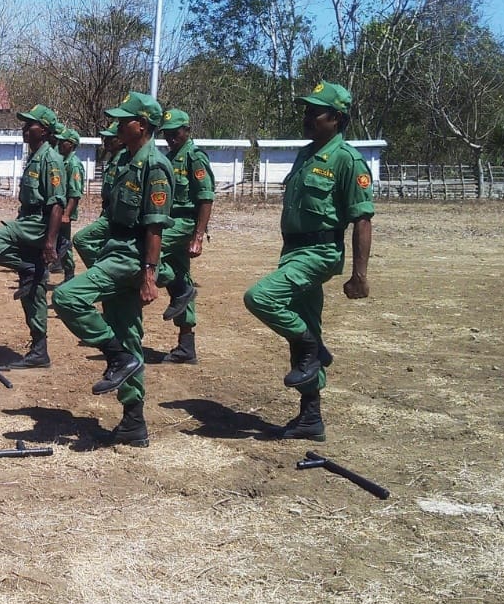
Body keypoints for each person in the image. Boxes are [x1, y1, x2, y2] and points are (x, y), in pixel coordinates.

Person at [243, 81, 375, 441]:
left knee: (260, 298)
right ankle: (310, 417)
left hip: (320, 252)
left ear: (336, 118)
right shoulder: (305, 154)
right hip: (293, 251)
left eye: (314, 112)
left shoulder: (347, 160)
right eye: (306, 110)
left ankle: (312, 350)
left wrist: (358, 275)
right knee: (303, 326)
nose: (307, 117)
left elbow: (362, 218)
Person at [53, 92, 174, 447]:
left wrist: (149, 275)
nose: (119, 125)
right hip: (115, 250)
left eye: (125, 120)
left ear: (143, 125)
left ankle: (116, 357)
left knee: (67, 297)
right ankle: (134, 423)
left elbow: (155, 226)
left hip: (131, 256)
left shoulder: (155, 164)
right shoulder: (126, 160)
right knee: (128, 335)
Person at [0, 104, 66, 369]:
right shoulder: (35, 156)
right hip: (28, 221)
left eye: (30, 125)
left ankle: (26, 266)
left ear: (44, 130)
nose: (24, 129)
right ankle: (39, 351)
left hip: (36, 225)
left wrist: (50, 242)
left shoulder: (51, 160)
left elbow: (57, 204)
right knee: (33, 291)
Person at [157, 107, 215, 364]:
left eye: (175, 133)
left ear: (187, 130)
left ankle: (181, 290)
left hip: (184, 222)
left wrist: (198, 236)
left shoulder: (194, 157)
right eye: (167, 134)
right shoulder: (170, 157)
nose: (171, 138)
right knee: (181, 276)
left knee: (146, 250)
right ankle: (186, 346)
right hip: (171, 219)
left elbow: (205, 198)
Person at [71, 121, 124, 270]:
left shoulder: (123, 161)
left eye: (109, 138)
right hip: (106, 212)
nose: (105, 142)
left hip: (114, 216)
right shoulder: (113, 160)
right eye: (104, 138)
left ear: (120, 140)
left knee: (81, 239)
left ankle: (101, 272)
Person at [55, 126, 85, 281]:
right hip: (59, 209)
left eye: (63, 142)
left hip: (65, 211)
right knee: (59, 240)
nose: (60, 144)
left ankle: (69, 273)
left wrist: (66, 214)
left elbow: (75, 193)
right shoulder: (64, 161)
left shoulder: (73, 164)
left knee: (64, 242)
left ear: (71, 144)